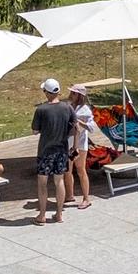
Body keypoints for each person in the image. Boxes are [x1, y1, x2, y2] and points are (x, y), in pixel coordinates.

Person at [30, 78, 74, 224]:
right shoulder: (67, 107)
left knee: (42, 183)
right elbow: (75, 127)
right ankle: (59, 214)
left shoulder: (41, 110)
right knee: (59, 181)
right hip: (62, 149)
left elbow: (35, 131)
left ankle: (42, 215)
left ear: (47, 93)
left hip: (45, 151)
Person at [67, 85, 98, 209]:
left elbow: (91, 128)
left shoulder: (85, 110)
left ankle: (86, 198)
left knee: (80, 170)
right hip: (68, 142)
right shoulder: (69, 106)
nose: (71, 95)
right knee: (67, 171)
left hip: (80, 143)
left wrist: (79, 122)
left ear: (79, 95)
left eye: (74, 93)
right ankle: (69, 195)